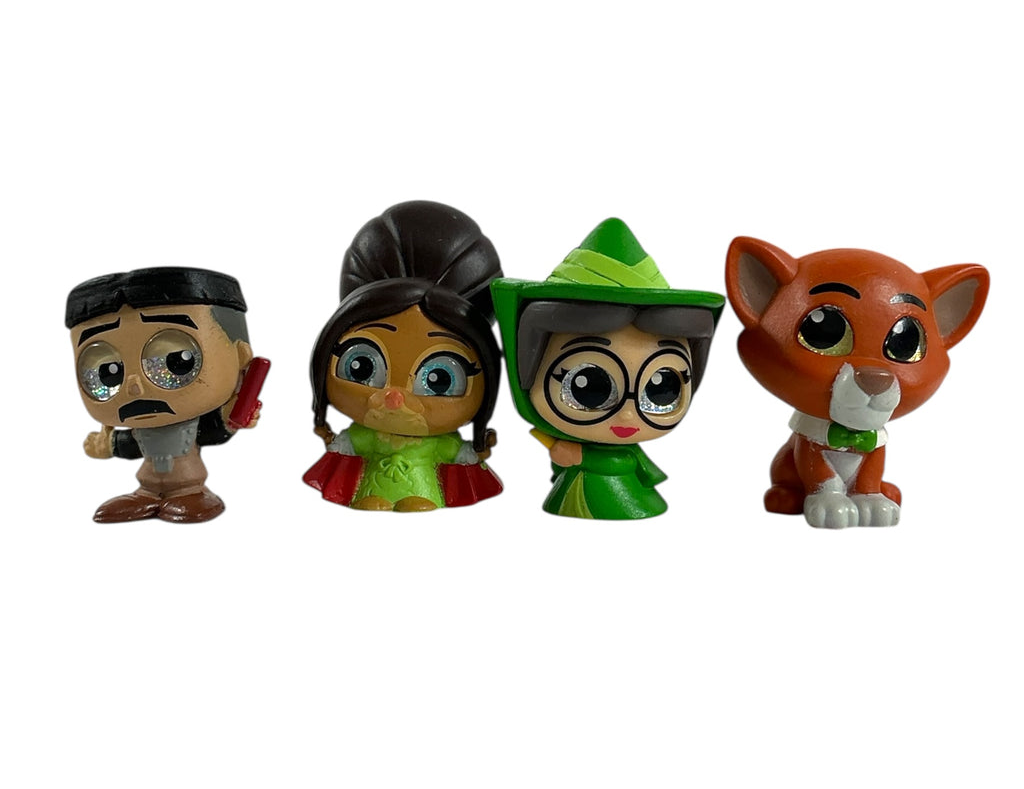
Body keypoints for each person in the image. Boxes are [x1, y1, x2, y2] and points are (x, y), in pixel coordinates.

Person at [491, 218, 724, 519]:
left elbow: (619, 461)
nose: (627, 415)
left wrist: (578, 455)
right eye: (588, 386)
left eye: (661, 389)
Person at [303, 201, 504, 512]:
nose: (395, 397)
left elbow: (459, 454)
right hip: (370, 489)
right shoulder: (366, 435)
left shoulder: (438, 442)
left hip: (426, 490)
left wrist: (477, 450)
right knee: (373, 501)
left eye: (439, 379)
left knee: (417, 502)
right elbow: (347, 445)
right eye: (361, 366)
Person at [67, 266, 260, 523]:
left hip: (188, 479)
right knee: (144, 491)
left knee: (188, 495)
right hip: (146, 483)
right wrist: (109, 445)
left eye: (175, 362)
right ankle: (147, 496)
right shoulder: (140, 429)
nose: (134, 386)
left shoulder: (192, 426)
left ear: (240, 357)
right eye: (106, 373)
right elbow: (131, 445)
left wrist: (231, 416)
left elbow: (214, 431)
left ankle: (189, 493)